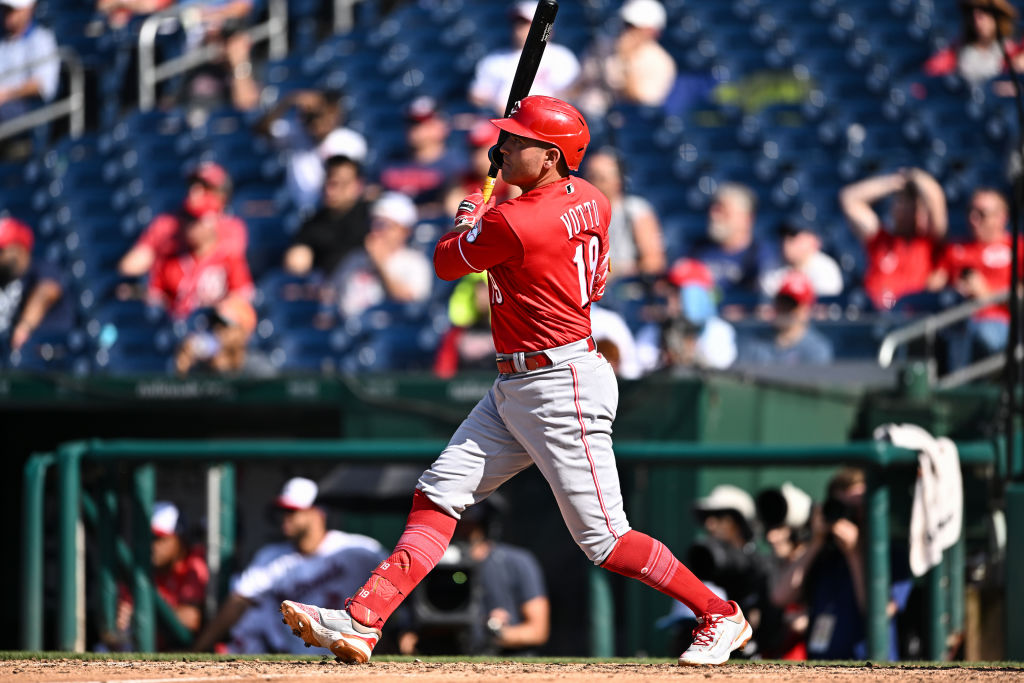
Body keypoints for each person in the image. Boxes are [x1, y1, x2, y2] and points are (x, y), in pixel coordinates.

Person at [280, 95, 752, 667]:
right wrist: (494, 210)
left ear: (551, 156)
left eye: (516, 142)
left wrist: (466, 219)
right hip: (523, 380)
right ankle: (363, 619)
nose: (501, 147)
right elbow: (585, 277)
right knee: (439, 490)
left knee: (605, 540)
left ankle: (718, 615)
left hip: (560, 383)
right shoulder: (593, 199)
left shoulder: (515, 218)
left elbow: (447, 263)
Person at [193, 477, 385, 653]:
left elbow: (399, 581)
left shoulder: (359, 550)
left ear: (318, 513)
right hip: (298, 660)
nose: (286, 517)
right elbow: (238, 602)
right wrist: (198, 650)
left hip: (352, 651)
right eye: (283, 511)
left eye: (293, 511)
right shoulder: (271, 557)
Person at [770, 469, 912, 660]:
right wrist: (815, 543)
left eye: (857, 507)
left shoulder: (892, 555)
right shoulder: (823, 554)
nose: (849, 515)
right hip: (819, 668)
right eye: (842, 507)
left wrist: (854, 554)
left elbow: (879, 612)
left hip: (870, 667)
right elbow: (780, 597)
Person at [399, 496, 550, 656]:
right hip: (443, 658)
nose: (461, 526)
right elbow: (410, 625)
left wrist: (496, 632)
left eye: (469, 520)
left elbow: (538, 630)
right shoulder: (426, 565)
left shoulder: (517, 562)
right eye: (454, 519)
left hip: (502, 661)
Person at [928, 187, 1023, 369]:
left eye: (981, 214)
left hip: (999, 322)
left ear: (1001, 217)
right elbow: (932, 289)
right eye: (970, 212)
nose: (973, 219)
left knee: (982, 334)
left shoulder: (1017, 247)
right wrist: (955, 290)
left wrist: (987, 293)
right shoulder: (956, 249)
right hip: (958, 321)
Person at [838, 167, 947, 311]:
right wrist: (894, 182)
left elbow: (935, 196)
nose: (907, 211)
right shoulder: (880, 238)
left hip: (912, 319)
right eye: (901, 203)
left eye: (913, 207)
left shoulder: (928, 243)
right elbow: (849, 198)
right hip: (875, 315)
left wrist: (913, 175)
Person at [107, 502, 209, 651]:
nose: (152, 545)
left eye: (159, 538)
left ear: (178, 539)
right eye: (148, 538)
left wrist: (140, 615)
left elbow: (191, 618)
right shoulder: (138, 568)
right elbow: (118, 626)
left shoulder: (194, 565)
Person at [119, 161, 247, 278]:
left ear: (222, 195)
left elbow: (224, 263)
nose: (195, 191)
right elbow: (131, 265)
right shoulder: (167, 223)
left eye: (205, 187)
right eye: (192, 185)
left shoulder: (233, 227)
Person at [257, 89, 368, 215]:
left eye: (320, 115)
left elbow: (352, 183)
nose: (316, 123)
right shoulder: (297, 133)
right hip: (302, 212)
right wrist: (289, 101)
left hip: (338, 213)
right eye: (310, 117)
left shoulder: (350, 142)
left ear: (334, 114)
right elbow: (261, 129)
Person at [327, 191, 431, 319]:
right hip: (346, 331)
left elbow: (409, 303)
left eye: (383, 225)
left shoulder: (415, 262)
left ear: (404, 230)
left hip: (391, 333)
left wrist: (380, 264)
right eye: (373, 223)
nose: (375, 231)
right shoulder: (355, 258)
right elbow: (331, 293)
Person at [468, 1, 581, 115]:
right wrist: (496, 105)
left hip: (546, 120)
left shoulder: (561, 57)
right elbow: (477, 95)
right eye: (517, 23)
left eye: (526, 23)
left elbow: (572, 91)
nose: (519, 28)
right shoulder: (494, 60)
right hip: (502, 120)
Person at [573, 0, 677, 118]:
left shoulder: (660, 62)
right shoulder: (603, 46)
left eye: (634, 27)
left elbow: (641, 102)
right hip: (584, 112)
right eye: (626, 24)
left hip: (621, 122)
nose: (628, 30)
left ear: (652, 31)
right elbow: (579, 83)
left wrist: (626, 60)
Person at [581, 149, 666, 280]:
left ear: (618, 181)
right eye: (590, 177)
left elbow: (654, 262)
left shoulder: (636, 209)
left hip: (626, 286)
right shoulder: (578, 213)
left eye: (601, 178)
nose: (594, 183)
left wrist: (615, 274)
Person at [378, 96, 467, 219]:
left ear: (442, 126)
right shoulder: (392, 158)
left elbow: (456, 207)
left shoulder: (458, 164)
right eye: (412, 123)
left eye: (425, 123)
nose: (416, 129)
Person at [283, 155, 371, 278]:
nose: (330, 191)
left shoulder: (372, 218)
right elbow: (296, 261)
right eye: (328, 182)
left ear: (357, 185)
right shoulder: (313, 223)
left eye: (340, 184)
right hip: (326, 290)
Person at [692, 182, 779, 303]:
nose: (713, 216)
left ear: (746, 218)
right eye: (713, 209)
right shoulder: (698, 250)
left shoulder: (761, 256)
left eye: (722, 210)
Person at [0, 216, 72, 352]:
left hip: (47, 352)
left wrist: (25, 327)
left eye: (2, 250)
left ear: (19, 248)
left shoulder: (42, 268)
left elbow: (45, 293)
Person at [736, 270, 834, 366]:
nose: (785, 309)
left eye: (793, 306)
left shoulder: (816, 350)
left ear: (806, 310)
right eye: (782, 302)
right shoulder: (755, 343)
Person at [0, 0, 59, 159]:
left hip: (26, 108)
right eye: (5, 10)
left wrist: (7, 94)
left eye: (12, 10)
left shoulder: (42, 40)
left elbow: (43, 85)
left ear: (28, 10)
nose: (8, 15)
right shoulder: (3, 42)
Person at [658, 257, 736, 371]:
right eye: (670, 291)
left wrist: (689, 349)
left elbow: (719, 368)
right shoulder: (655, 330)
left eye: (678, 292)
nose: (670, 299)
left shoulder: (719, 330)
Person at [923, 0, 1024, 86]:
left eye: (985, 11)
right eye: (971, 12)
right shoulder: (956, 52)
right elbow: (929, 73)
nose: (977, 18)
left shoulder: (1015, 53)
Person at [175, 294, 273, 376]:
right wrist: (184, 369)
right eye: (215, 322)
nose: (218, 328)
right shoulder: (201, 367)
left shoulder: (259, 369)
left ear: (243, 333)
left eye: (225, 324)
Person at [760, 217, 843, 299]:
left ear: (812, 240)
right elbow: (767, 307)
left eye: (793, 238)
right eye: (784, 237)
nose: (786, 244)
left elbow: (824, 308)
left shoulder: (826, 269)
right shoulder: (772, 268)